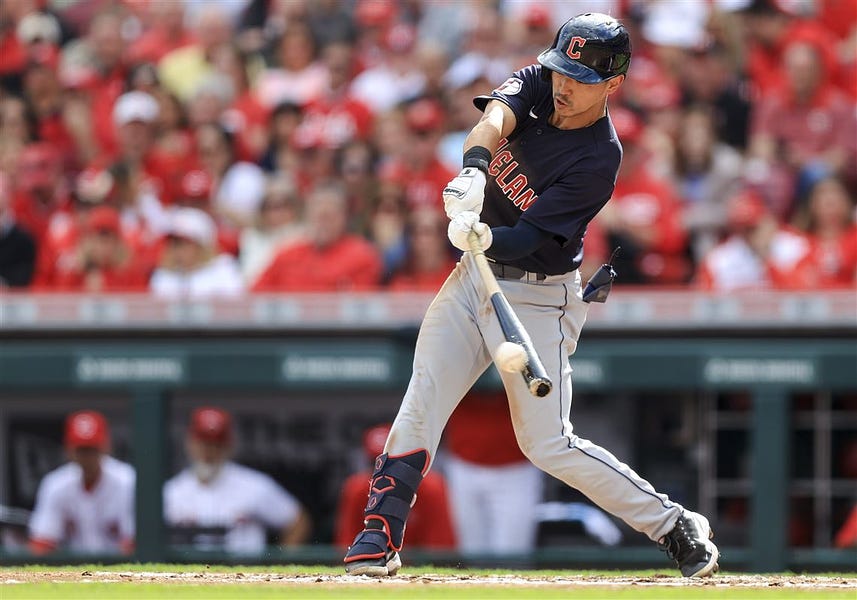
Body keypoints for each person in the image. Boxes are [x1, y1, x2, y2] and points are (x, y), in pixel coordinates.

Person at [342, 13, 719, 579]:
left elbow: (530, 239)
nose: (564, 85)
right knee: (423, 399)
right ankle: (381, 533)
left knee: (547, 445)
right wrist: (473, 169)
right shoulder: (544, 82)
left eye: (579, 78)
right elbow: (494, 118)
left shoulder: (599, 157)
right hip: (475, 277)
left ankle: (670, 523)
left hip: (539, 294)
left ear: (613, 83)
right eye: (561, 70)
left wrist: (486, 232)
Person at [163, 406, 311, 555]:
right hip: (189, 574)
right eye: (204, 443)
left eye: (216, 444)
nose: (209, 451)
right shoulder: (172, 491)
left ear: (229, 446)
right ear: (190, 443)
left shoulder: (254, 485)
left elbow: (298, 521)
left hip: (243, 573)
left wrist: (280, 567)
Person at [28, 410, 135, 555]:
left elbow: (134, 542)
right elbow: (41, 542)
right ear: (69, 450)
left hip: (120, 570)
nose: (87, 457)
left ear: (106, 447)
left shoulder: (127, 481)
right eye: (82, 450)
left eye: (92, 449)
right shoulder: (55, 484)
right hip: (73, 571)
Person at [334, 423, 456, 551]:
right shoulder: (356, 489)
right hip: (374, 561)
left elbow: (441, 549)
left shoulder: (431, 487)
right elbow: (345, 545)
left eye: (391, 466)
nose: (383, 473)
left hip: (417, 566)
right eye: (377, 465)